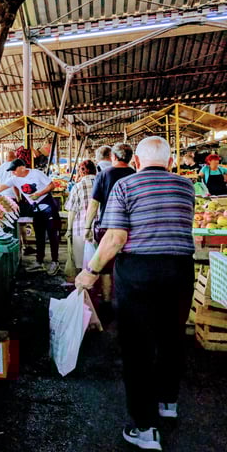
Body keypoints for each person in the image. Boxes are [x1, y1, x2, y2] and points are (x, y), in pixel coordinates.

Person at [75, 136, 195, 451]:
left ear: (137, 163)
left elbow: (115, 237)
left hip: (139, 272)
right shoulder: (186, 187)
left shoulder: (125, 187)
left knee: (138, 347)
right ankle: (167, 403)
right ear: (169, 162)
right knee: (171, 337)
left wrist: (91, 271)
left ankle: (144, 429)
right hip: (180, 271)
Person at [0, 158, 61, 275]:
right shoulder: (14, 179)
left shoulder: (36, 173)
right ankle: (39, 261)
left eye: (14, 170)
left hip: (48, 205)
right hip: (35, 207)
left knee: (52, 234)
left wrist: (38, 194)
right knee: (39, 234)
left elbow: (51, 185)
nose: (12, 172)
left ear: (22, 168)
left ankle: (55, 261)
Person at [84, 143, 136, 314]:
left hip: (108, 226)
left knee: (106, 266)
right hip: (132, 227)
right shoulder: (135, 174)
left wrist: (87, 226)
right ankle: (125, 301)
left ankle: (106, 303)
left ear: (113, 157)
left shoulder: (104, 175)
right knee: (127, 264)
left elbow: (94, 204)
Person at [65, 160, 97, 271]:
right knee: (99, 265)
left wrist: (69, 229)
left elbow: (72, 210)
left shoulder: (78, 186)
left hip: (81, 229)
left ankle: (83, 287)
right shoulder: (103, 183)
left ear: (82, 171)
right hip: (101, 229)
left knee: (81, 264)